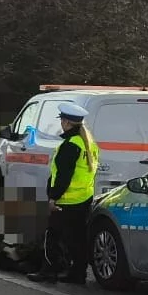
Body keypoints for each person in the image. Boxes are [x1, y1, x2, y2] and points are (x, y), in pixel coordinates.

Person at [27, 102, 98, 284]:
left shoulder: (69, 145)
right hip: (83, 198)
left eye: (62, 121)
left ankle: (48, 271)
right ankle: (78, 273)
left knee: (52, 235)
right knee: (77, 238)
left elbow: (64, 176)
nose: (61, 124)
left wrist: (53, 197)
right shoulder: (88, 144)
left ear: (66, 122)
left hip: (66, 200)